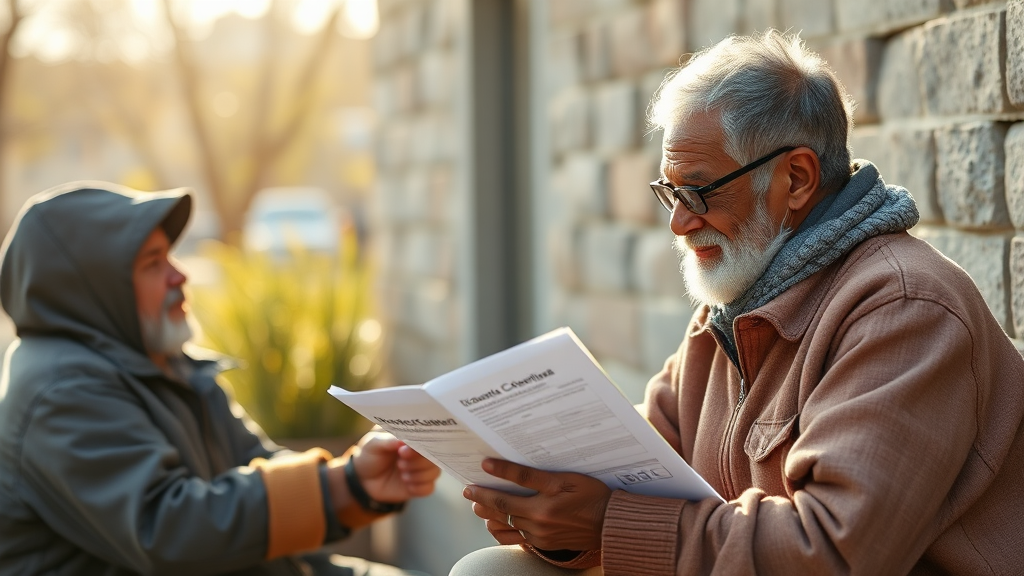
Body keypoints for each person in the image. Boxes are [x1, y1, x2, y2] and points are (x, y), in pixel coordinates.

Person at [455, 30, 1024, 575]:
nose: (679, 222)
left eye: (698, 191)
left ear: (796, 178)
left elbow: (832, 553)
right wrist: (555, 520)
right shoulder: (731, 308)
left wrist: (609, 524)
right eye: (668, 192)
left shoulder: (904, 308)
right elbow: (642, 471)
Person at [0, 181, 441, 575]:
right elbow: (168, 531)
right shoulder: (60, 392)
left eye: (169, 256)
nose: (180, 274)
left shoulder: (166, 362)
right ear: (92, 290)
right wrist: (343, 484)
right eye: (154, 263)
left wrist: (356, 480)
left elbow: (253, 463)